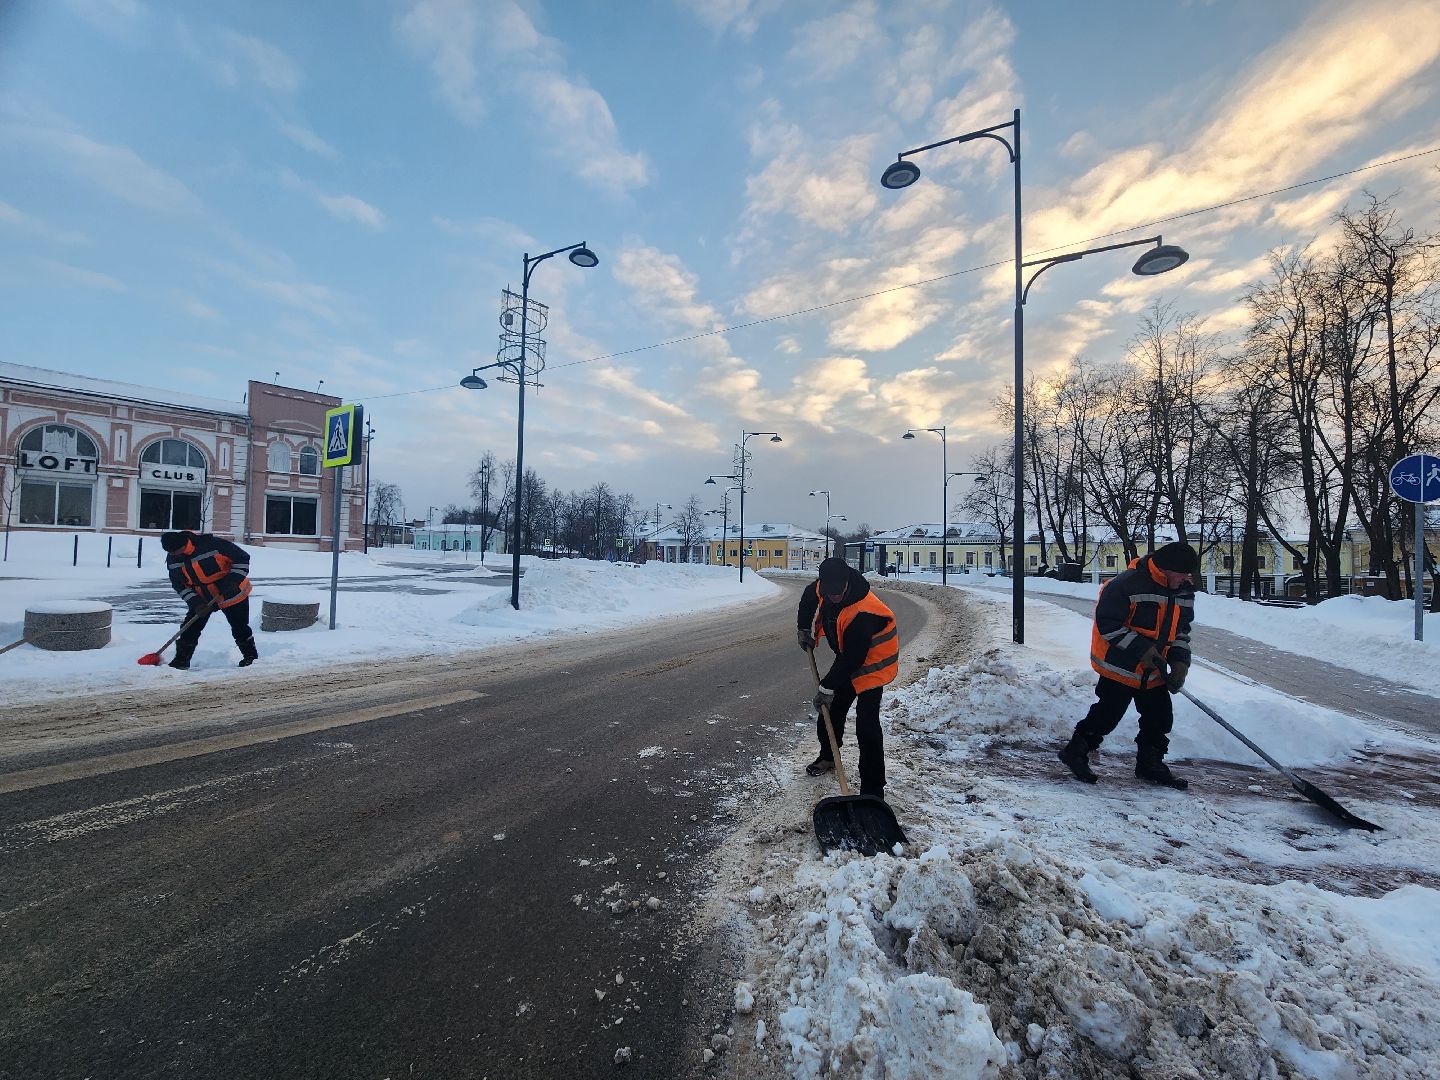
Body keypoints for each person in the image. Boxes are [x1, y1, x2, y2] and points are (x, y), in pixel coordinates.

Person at [1059, 542, 1198, 789]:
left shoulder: (1184, 590)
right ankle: (1075, 752)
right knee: (1107, 714)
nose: (1188, 579)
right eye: (1183, 574)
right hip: (1121, 666)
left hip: (1154, 669)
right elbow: (1108, 623)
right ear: (1166, 570)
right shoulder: (1126, 585)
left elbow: (1182, 630)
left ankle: (1150, 764)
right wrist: (1143, 649)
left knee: (1159, 717)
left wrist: (1179, 662)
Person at [796, 556, 899, 800]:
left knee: (867, 726)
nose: (834, 597)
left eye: (838, 592)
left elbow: (853, 659)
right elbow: (809, 598)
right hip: (848, 656)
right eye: (829, 592)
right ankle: (829, 756)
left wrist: (827, 687)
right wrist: (803, 628)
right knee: (830, 711)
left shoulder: (863, 611)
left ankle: (873, 790)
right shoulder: (824, 586)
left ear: (846, 582)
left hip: (872, 665)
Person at [161, 530, 257, 670]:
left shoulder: (214, 545)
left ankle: (251, 658)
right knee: (189, 629)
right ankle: (181, 661)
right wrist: (195, 603)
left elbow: (242, 559)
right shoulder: (173, 557)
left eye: (176, 551)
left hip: (232, 592)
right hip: (203, 599)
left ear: (184, 544)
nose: (174, 555)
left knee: (239, 627)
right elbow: (179, 585)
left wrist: (233, 580)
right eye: (171, 553)